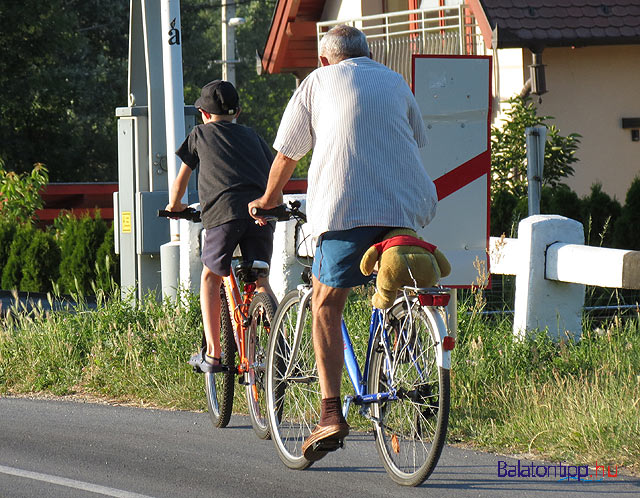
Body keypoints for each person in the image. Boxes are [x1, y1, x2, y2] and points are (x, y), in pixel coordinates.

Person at [248, 25, 438, 461]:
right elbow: (415, 140)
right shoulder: (394, 81)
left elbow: (287, 154)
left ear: (325, 59)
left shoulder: (317, 83)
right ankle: (405, 370)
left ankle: (331, 413)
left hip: (346, 208)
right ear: (367, 54)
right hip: (408, 209)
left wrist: (269, 198)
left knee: (326, 305)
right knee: (391, 291)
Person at [167, 79, 277, 373]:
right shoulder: (252, 136)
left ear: (203, 113)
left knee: (210, 278)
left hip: (222, 216)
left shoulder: (199, 134)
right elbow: (272, 171)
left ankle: (213, 354)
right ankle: (280, 345)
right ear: (238, 111)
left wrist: (175, 207)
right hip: (259, 214)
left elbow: (182, 178)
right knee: (261, 278)